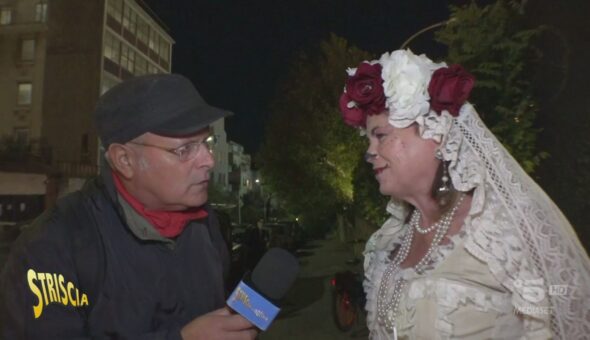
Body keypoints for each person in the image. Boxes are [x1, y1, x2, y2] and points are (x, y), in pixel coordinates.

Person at [338, 49, 590, 339]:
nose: (369, 153)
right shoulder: (389, 240)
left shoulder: (503, 235)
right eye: (369, 139)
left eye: (381, 136)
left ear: (435, 133)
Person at [0, 74, 258, 339]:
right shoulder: (52, 246)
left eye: (206, 143)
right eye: (185, 150)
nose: (208, 161)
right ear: (124, 160)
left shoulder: (206, 224)